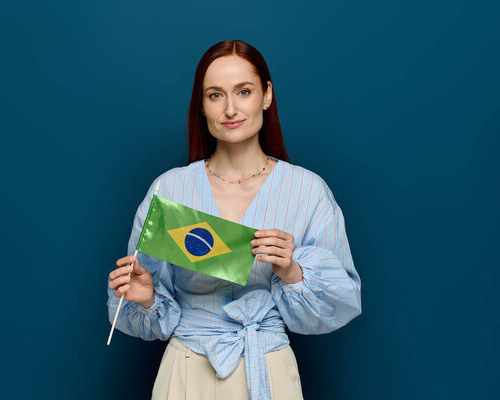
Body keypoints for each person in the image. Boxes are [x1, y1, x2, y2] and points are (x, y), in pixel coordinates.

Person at [107, 40, 362, 400]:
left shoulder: (308, 191)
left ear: (267, 95)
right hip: (186, 370)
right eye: (215, 95)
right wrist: (146, 299)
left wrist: (293, 271)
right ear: (201, 105)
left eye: (244, 91)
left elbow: (341, 302)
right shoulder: (169, 188)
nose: (230, 109)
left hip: (268, 368)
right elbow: (144, 304)